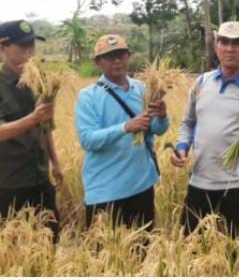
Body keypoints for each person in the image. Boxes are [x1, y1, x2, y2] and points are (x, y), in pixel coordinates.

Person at [172, 21, 239, 237]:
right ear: (216, 47)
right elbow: (187, 123)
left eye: (237, 43)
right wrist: (182, 147)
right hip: (200, 180)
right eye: (224, 42)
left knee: (233, 250)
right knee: (189, 247)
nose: (229, 48)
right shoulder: (201, 83)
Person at [75, 34, 169, 230]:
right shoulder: (88, 97)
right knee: (105, 256)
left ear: (129, 56)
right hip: (105, 190)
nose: (117, 61)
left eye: (121, 55)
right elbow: (88, 140)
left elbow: (157, 130)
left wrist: (161, 116)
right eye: (110, 57)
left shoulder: (142, 88)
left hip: (141, 185)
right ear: (98, 62)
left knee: (142, 251)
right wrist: (125, 127)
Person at [0, 20, 61, 242]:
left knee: (50, 242)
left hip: (41, 179)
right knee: (16, 249)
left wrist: (56, 163)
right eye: (22, 45)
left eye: (32, 45)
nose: (29, 51)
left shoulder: (39, 82)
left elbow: (46, 127)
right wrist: (32, 118)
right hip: (10, 184)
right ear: (2, 48)